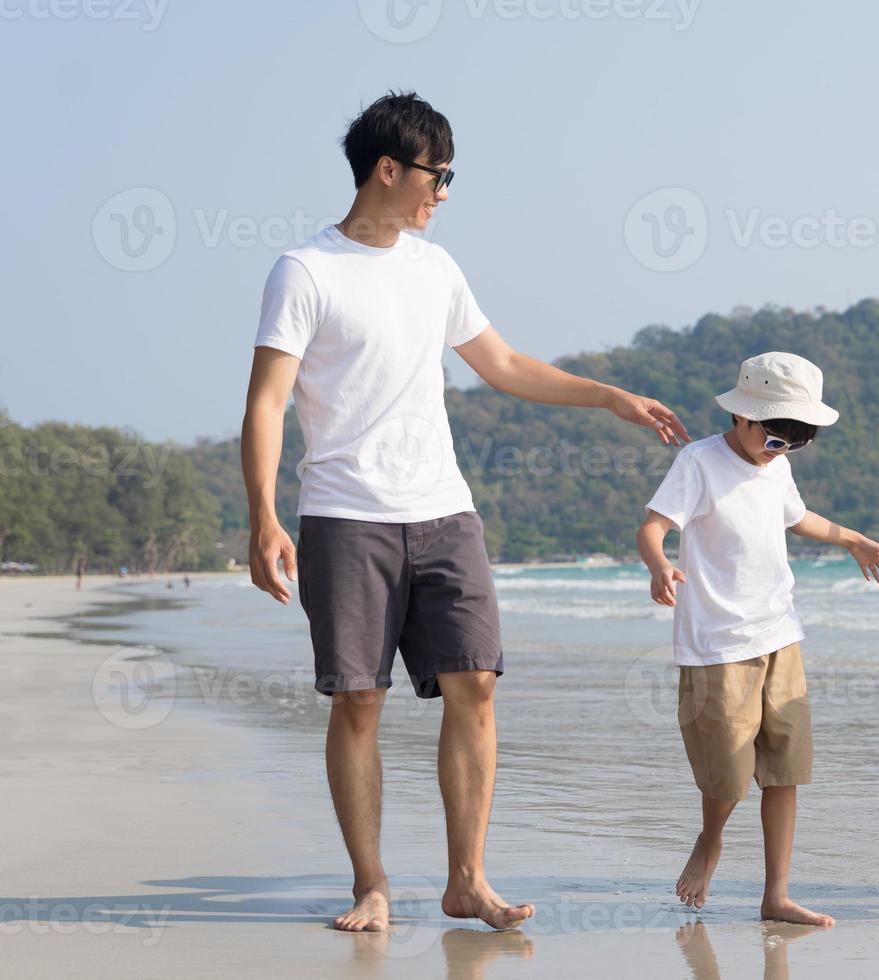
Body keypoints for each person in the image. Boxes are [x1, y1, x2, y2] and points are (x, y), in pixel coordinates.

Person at [241, 91, 690, 933]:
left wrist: (607, 397)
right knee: (359, 701)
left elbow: (505, 362)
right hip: (345, 516)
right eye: (437, 175)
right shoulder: (304, 271)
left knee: (476, 684)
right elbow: (266, 403)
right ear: (389, 170)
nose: (443, 192)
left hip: (444, 511)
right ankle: (370, 885)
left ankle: (467, 880)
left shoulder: (435, 269)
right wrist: (264, 515)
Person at [636, 352, 879, 926]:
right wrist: (659, 565)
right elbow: (653, 525)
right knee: (727, 774)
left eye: (797, 442)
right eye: (776, 438)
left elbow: (795, 517)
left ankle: (776, 894)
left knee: (785, 769)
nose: (782, 450)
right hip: (716, 645)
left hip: (780, 633)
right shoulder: (699, 462)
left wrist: (851, 538)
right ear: (743, 418)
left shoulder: (777, 464)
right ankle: (710, 841)